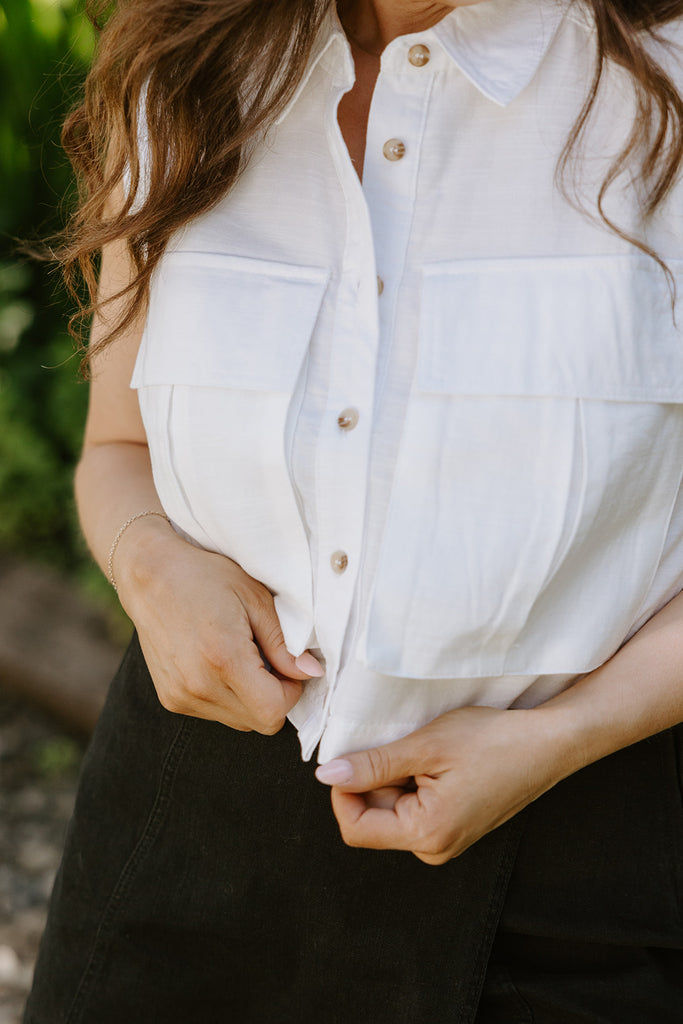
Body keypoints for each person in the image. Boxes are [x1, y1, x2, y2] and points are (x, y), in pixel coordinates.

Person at [24, 0, 683, 1020]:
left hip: (573, 868)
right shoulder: (179, 65)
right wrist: (150, 561)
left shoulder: (664, 85)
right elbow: (117, 450)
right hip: (179, 851)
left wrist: (561, 736)